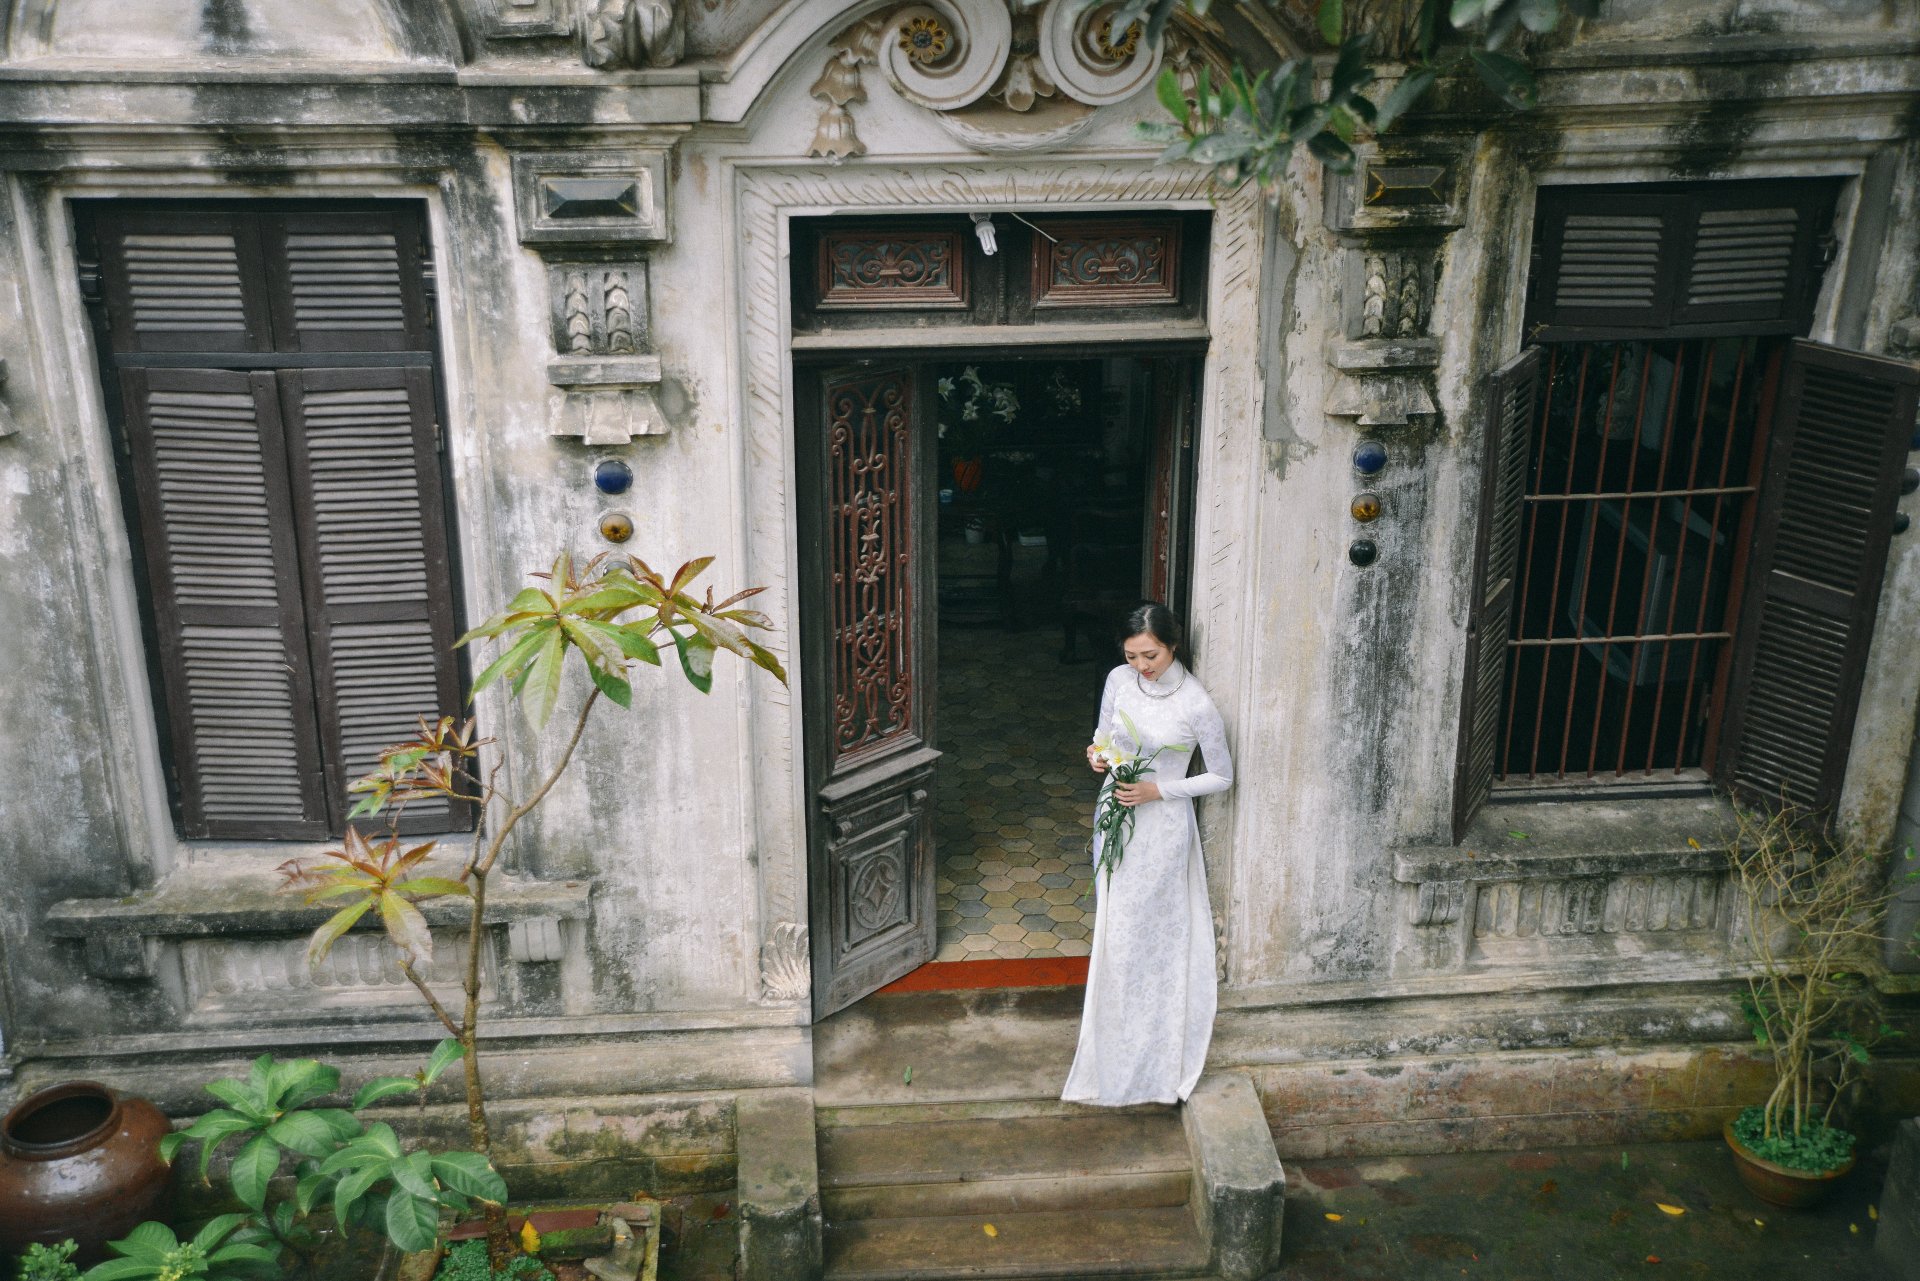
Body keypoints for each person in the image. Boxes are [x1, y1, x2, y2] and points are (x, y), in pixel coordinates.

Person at [1062, 602, 1234, 1107]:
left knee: (1149, 932)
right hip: (1115, 815)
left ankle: (1154, 1051)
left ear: (1172, 644)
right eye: (1133, 655)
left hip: (1161, 826)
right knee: (1115, 927)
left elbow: (1223, 776)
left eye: (1151, 655)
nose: (1142, 666)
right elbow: (1103, 737)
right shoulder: (1119, 680)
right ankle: (1109, 1043)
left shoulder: (1196, 703)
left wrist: (1161, 792)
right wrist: (1098, 757)